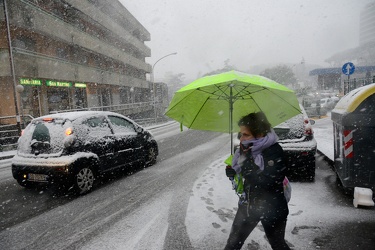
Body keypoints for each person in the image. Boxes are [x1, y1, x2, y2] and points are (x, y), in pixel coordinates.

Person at [224, 112, 290, 250]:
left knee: (278, 245)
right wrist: (233, 172)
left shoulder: (274, 151)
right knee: (232, 244)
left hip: (272, 208)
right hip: (248, 206)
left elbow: (268, 182)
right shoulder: (246, 149)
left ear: (259, 133)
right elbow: (242, 175)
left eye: (246, 134)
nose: (241, 139)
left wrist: (247, 166)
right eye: (241, 134)